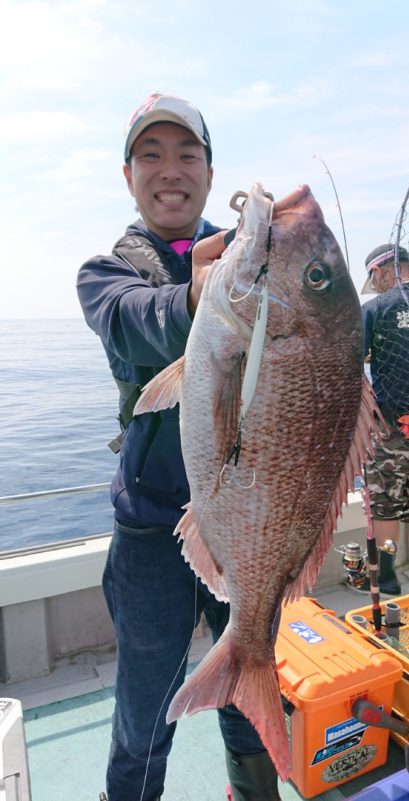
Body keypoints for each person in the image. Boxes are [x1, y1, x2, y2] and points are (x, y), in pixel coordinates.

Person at [76, 92, 281, 801]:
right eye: (152, 155)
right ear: (128, 175)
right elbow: (133, 321)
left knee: (253, 694)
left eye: (186, 153)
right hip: (152, 532)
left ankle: (252, 790)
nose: (171, 169)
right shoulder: (106, 274)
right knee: (145, 709)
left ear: (209, 168)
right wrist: (197, 300)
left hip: (246, 521)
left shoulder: (255, 256)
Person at [358, 243, 409, 595]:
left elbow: (350, 363)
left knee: (383, 506)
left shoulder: (373, 309)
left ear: (382, 271)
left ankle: (385, 582)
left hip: (389, 429)